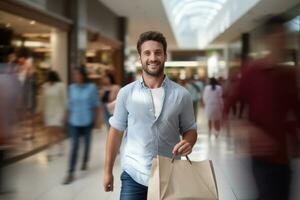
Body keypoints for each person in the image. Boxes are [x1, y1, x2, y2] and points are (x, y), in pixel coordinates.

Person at [103, 31, 197, 199]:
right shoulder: (126, 93)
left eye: (158, 52)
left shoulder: (182, 95)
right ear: (140, 58)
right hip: (133, 174)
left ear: (165, 56)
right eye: (147, 53)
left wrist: (189, 142)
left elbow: (190, 129)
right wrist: (107, 171)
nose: (153, 58)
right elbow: (115, 132)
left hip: (170, 173)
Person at [223, 16, 300, 200]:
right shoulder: (253, 72)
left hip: (284, 156)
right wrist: (245, 129)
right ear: (267, 40)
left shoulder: (288, 75)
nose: (282, 42)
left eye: (285, 37)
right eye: (278, 37)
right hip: (261, 158)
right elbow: (227, 107)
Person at [63, 67, 100, 184]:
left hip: (87, 120)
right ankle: (70, 172)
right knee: (74, 146)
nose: (76, 77)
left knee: (87, 144)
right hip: (74, 121)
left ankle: (84, 161)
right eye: (74, 75)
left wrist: (97, 120)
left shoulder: (91, 88)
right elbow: (69, 105)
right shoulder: (71, 88)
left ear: (83, 76)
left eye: (78, 75)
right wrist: (66, 118)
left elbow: (95, 105)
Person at [42, 70, 66, 160]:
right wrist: (42, 112)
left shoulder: (60, 86)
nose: (49, 81)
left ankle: (60, 147)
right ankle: (49, 151)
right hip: (49, 112)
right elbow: (44, 100)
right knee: (48, 132)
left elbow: (64, 99)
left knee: (57, 132)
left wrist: (65, 113)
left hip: (58, 112)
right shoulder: (45, 86)